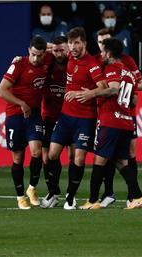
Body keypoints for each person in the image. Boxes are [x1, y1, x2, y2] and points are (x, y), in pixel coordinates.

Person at [78, 37, 142, 210]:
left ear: (108, 52)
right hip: (126, 122)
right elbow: (133, 101)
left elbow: (114, 88)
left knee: (99, 160)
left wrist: (92, 94)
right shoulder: (129, 73)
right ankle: (138, 197)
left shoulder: (112, 67)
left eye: (102, 51)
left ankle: (93, 201)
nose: (101, 54)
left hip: (111, 121)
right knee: (122, 163)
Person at [43, 27, 107, 210]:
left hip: (85, 119)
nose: (73, 47)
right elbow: (48, 47)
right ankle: (54, 191)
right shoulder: (69, 56)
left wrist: (88, 94)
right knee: (52, 155)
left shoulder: (92, 64)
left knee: (78, 159)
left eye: (76, 43)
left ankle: (71, 197)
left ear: (84, 43)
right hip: (65, 117)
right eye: (70, 43)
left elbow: (104, 88)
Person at [0, 36, 52, 210]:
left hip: (34, 115)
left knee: (37, 153)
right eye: (33, 54)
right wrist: (21, 104)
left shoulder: (47, 60)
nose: (36, 59)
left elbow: (60, 48)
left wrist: (49, 48)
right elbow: (1, 90)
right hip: (15, 115)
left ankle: (32, 189)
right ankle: (20, 196)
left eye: (40, 55)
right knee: (18, 157)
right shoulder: (19, 65)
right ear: (28, 50)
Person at [39, 36, 69, 208]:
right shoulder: (47, 60)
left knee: (74, 156)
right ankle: (53, 192)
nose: (59, 53)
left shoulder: (73, 62)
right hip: (48, 116)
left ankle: (70, 193)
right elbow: (35, 48)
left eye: (62, 50)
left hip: (69, 117)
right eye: (56, 50)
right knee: (47, 156)